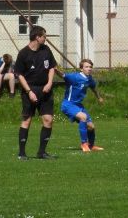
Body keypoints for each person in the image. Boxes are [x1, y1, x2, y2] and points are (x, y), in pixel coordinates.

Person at [14, 25, 57, 160]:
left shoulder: (46, 50)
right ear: (37, 37)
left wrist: (49, 83)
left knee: (48, 120)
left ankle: (42, 152)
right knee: (27, 120)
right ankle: (22, 153)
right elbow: (20, 75)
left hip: (45, 90)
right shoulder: (23, 53)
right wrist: (29, 91)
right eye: (44, 36)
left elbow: (52, 67)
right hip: (30, 90)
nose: (46, 38)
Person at [57, 59, 105, 152]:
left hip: (78, 105)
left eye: (90, 67)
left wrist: (99, 97)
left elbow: (93, 88)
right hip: (68, 104)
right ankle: (84, 144)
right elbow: (62, 75)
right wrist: (55, 69)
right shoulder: (74, 77)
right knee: (83, 117)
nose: (89, 69)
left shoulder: (89, 79)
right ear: (81, 69)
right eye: (86, 67)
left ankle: (91, 146)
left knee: (91, 126)